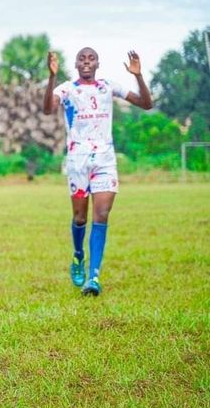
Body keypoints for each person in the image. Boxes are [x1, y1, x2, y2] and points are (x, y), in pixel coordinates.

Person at [43, 48, 152, 296]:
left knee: (101, 215)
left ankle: (93, 277)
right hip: (78, 161)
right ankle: (78, 254)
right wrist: (51, 77)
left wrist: (138, 76)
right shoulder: (67, 89)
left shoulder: (108, 86)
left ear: (97, 64)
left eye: (91, 59)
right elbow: (48, 108)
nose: (86, 62)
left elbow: (146, 104)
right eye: (82, 59)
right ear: (76, 64)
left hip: (104, 160)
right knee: (80, 218)